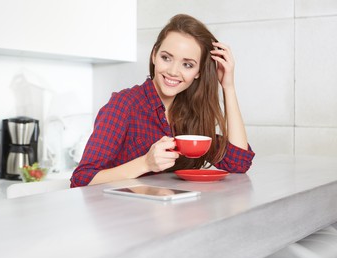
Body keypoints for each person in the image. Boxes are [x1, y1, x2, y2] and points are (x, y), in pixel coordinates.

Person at [70, 14, 254, 188]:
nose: (173, 71)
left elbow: (239, 162)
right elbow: (81, 179)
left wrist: (228, 87)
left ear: (198, 72)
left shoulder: (191, 113)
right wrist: (145, 163)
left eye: (187, 64)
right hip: (126, 216)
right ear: (154, 55)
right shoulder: (125, 104)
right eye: (166, 58)